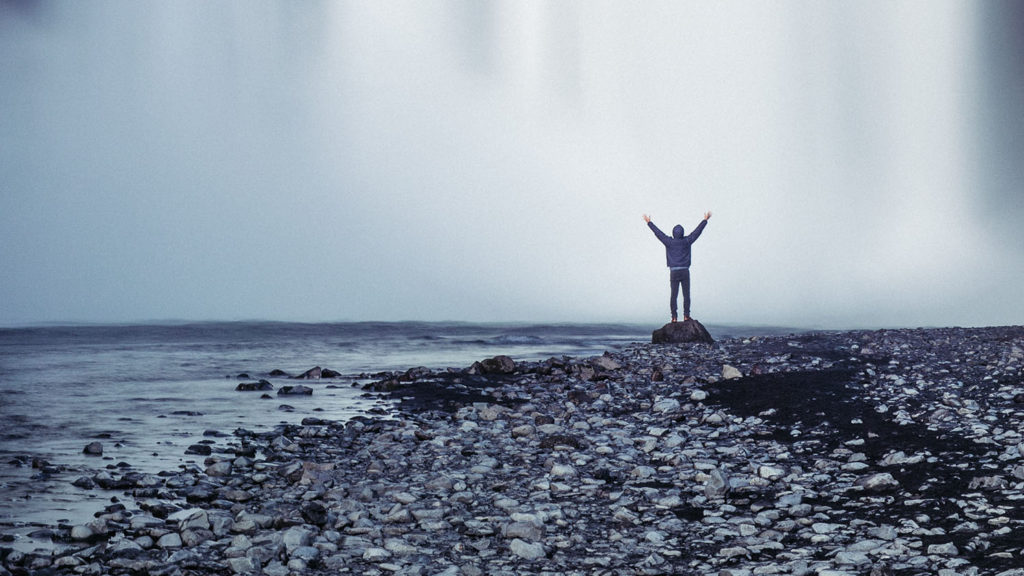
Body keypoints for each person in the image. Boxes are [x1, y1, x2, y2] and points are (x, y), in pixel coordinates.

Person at [643, 212, 711, 322]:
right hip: (685, 271)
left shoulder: (669, 242)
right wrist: (705, 220)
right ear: (682, 233)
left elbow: (658, 233)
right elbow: (697, 232)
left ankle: (674, 317)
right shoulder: (687, 241)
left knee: (673, 295)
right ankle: (686, 316)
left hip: (673, 272)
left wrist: (649, 222)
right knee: (686, 295)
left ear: (673, 233)